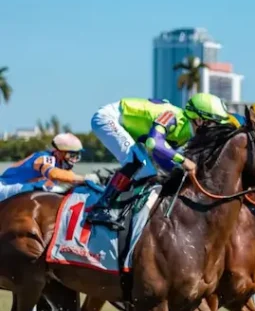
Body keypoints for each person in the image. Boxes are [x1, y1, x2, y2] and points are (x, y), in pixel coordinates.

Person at [86, 94, 233, 229]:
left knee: (148, 171)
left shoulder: (186, 133)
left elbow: (160, 155)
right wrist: (183, 161)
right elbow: (153, 143)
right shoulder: (173, 116)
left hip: (124, 128)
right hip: (107, 118)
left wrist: (177, 172)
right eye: (214, 124)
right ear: (200, 120)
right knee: (137, 162)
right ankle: (101, 208)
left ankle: (124, 208)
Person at [0, 133, 89, 201]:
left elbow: (70, 177)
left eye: (77, 156)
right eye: (71, 155)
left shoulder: (59, 166)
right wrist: (86, 178)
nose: (74, 159)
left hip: (14, 189)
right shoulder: (45, 158)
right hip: (6, 187)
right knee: (38, 193)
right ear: (59, 152)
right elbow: (53, 174)